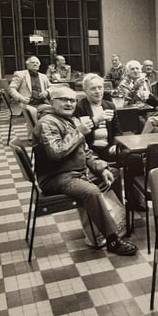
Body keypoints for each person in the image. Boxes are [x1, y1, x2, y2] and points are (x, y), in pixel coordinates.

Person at [32, 85, 137, 256]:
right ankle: (112, 240)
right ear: (52, 102)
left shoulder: (70, 120)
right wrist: (79, 132)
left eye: (72, 100)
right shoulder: (47, 123)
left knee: (114, 173)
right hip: (56, 176)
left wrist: (100, 167)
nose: (69, 103)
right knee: (92, 192)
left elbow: (86, 152)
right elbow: (55, 152)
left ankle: (119, 224)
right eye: (64, 99)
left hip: (76, 173)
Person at [74, 73, 122, 162]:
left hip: (109, 147)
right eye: (93, 88)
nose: (98, 91)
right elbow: (83, 134)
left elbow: (117, 131)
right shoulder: (79, 107)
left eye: (100, 87)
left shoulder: (109, 105)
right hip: (90, 149)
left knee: (134, 158)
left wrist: (115, 145)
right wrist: (97, 119)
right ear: (85, 90)